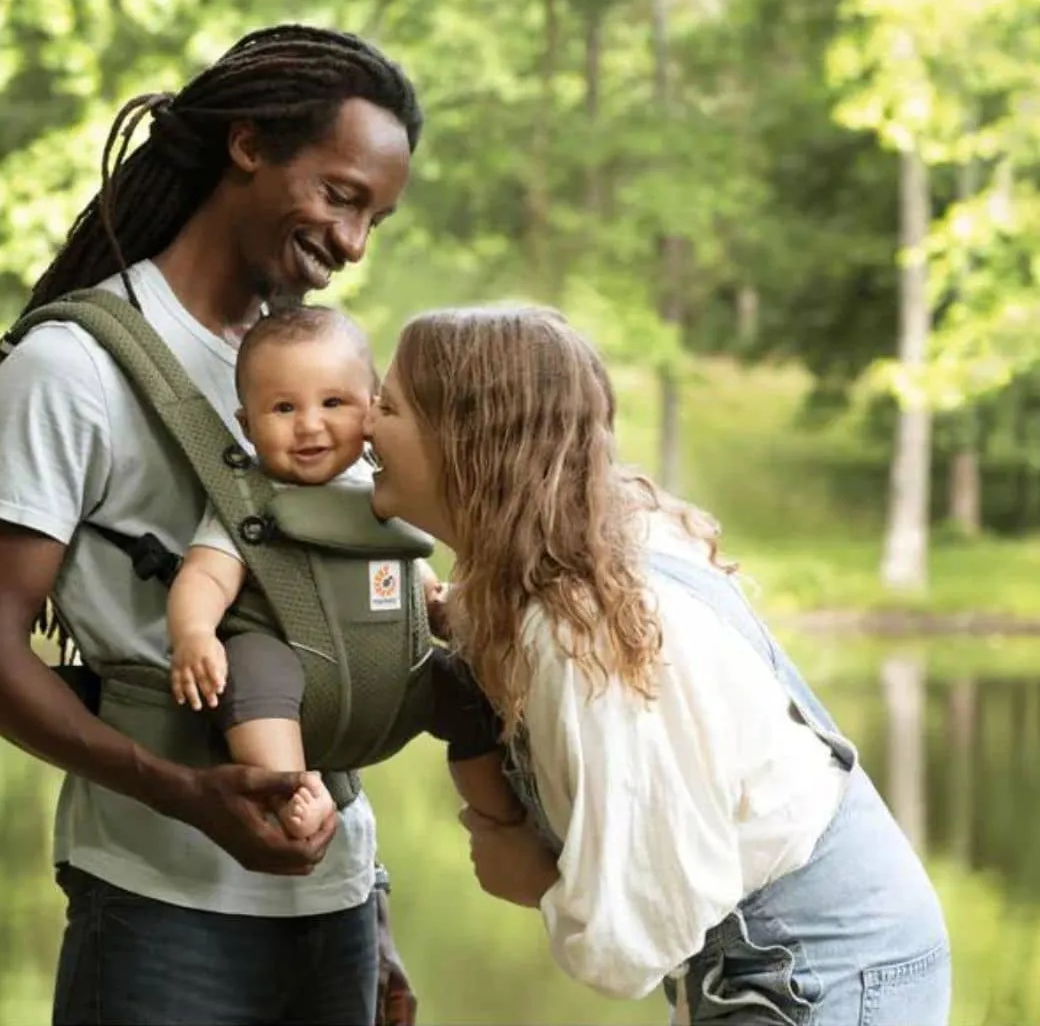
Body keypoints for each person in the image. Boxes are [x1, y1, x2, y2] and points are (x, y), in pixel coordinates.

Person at [0, 25, 428, 1026]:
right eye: (340, 197)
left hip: (333, 903)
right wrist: (181, 792)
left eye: (375, 218)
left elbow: (329, 618)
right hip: (163, 913)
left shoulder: (314, 376)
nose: (352, 244)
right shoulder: (71, 369)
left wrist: (372, 908)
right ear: (248, 146)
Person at [364, 304, 952, 1026]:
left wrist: (538, 881)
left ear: (464, 440)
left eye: (387, 405)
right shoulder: (593, 556)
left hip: (821, 977)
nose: (364, 424)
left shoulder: (586, 640)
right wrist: (461, 616)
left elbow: (636, 937)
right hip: (804, 963)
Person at [165, 303, 521, 839]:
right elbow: (205, 576)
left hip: (395, 672)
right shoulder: (248, 500)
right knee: (251, 668)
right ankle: (295, 792)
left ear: (372, 411)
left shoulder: (383, 487)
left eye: (334, 402)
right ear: (246, 423)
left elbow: (402, 561)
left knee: (472, 695)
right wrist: (193, 633)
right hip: (298, 679)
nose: (310, 425)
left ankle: (498, 814)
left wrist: (435, 603)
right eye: (283, 409)